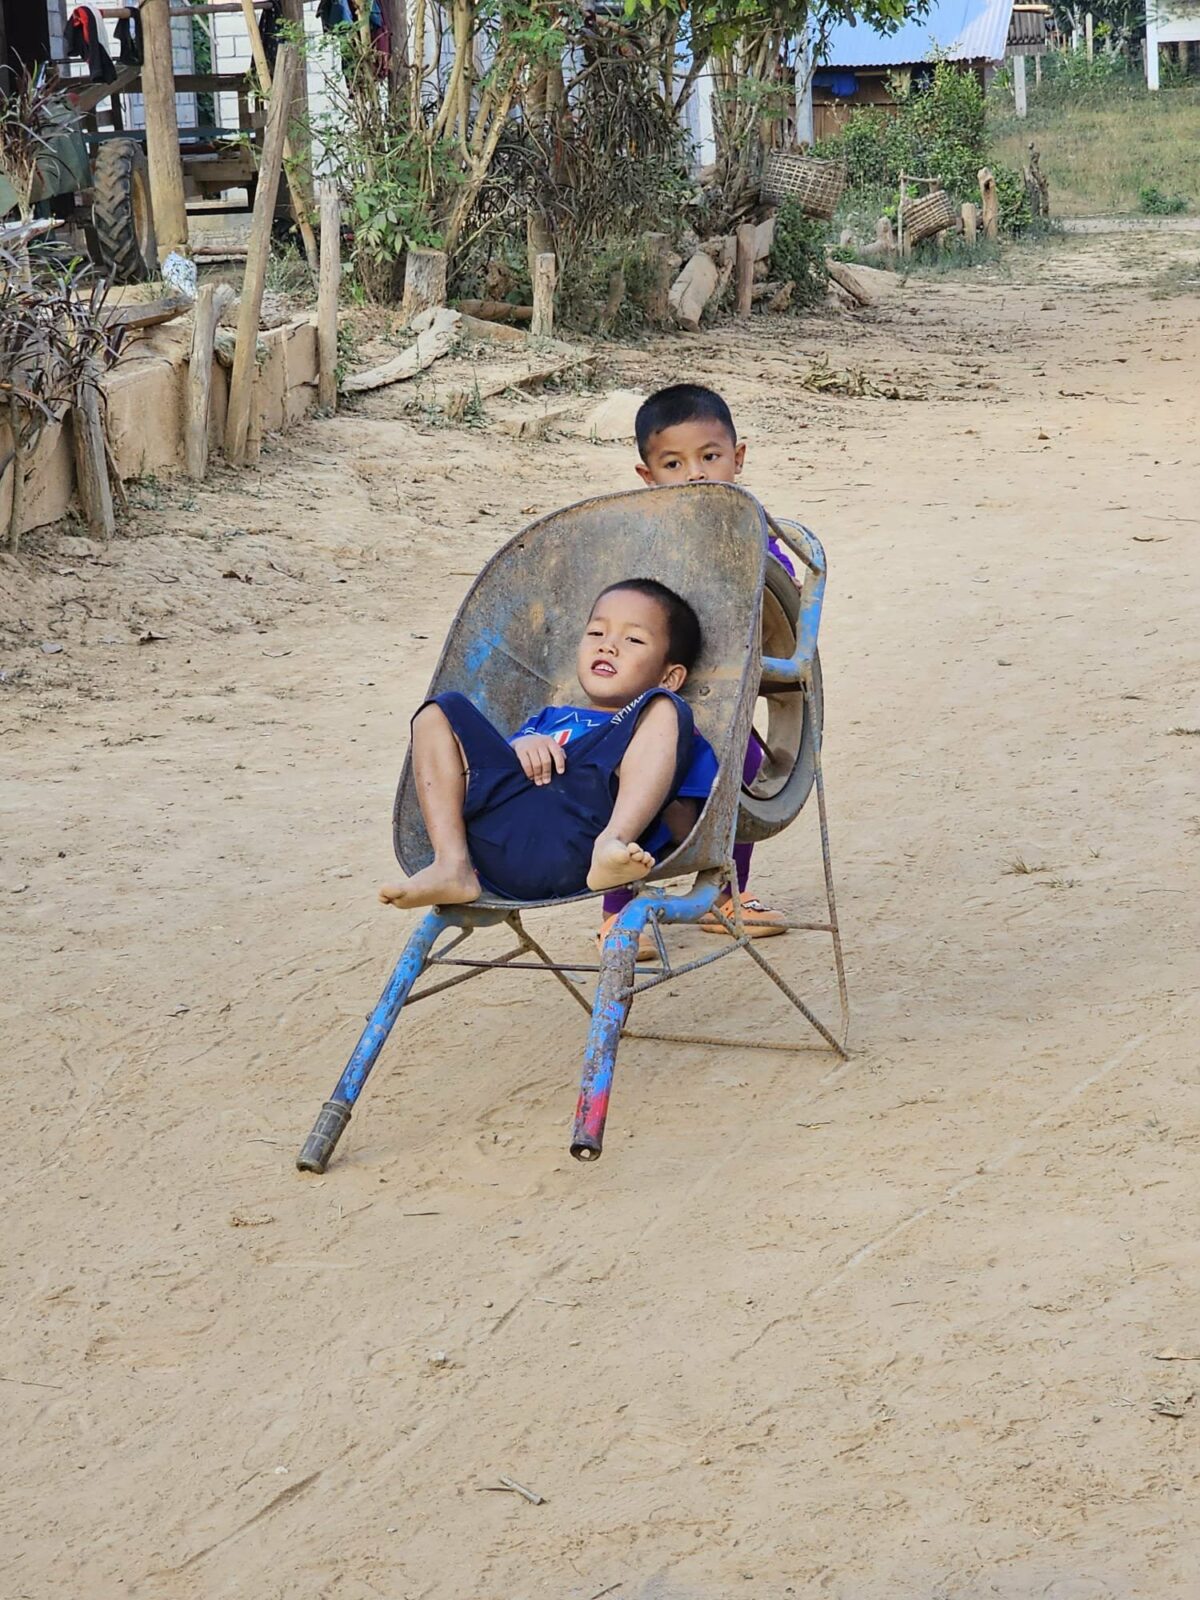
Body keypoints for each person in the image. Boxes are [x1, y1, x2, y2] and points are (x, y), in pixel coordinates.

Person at [596, 382, 796, 958]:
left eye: (710, 457)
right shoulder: (642, 540)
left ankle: (725, 894)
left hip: (721, 702)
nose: (696, 474)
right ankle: (618, 912)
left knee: (751, 771)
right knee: (627, 786)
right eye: (673, 463)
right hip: (646, 702)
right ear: (646, 475)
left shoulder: (757, 536)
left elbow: (780, 608)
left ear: (738, 458)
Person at [378, 580, 717, 910]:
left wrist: (654, 794)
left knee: (665, 706)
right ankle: (452, 863)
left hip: (586, 843)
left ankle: (613, 840)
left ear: (669, 677)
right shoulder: (546, 720)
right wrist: (522, 743)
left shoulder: (664, 730)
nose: (608, 646)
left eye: (633, 639)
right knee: (439, 710)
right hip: (499, 839)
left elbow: (687, 830)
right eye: (596, 633)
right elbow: (491, 772)